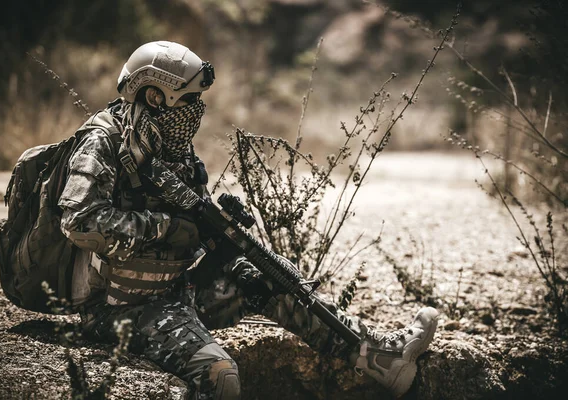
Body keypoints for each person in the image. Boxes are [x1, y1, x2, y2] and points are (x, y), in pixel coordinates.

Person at [58, 41, 439, 400]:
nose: (197, 110)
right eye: (189, 101)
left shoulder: (174, 151)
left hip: (175, 291)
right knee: (221, 375)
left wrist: (223, 242)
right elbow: (79, 221)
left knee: (270, 277)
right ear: (155, 96)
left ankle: (379, 358)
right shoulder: (103, 141)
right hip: (115, 308)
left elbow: (194, 226)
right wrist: (165, 228)